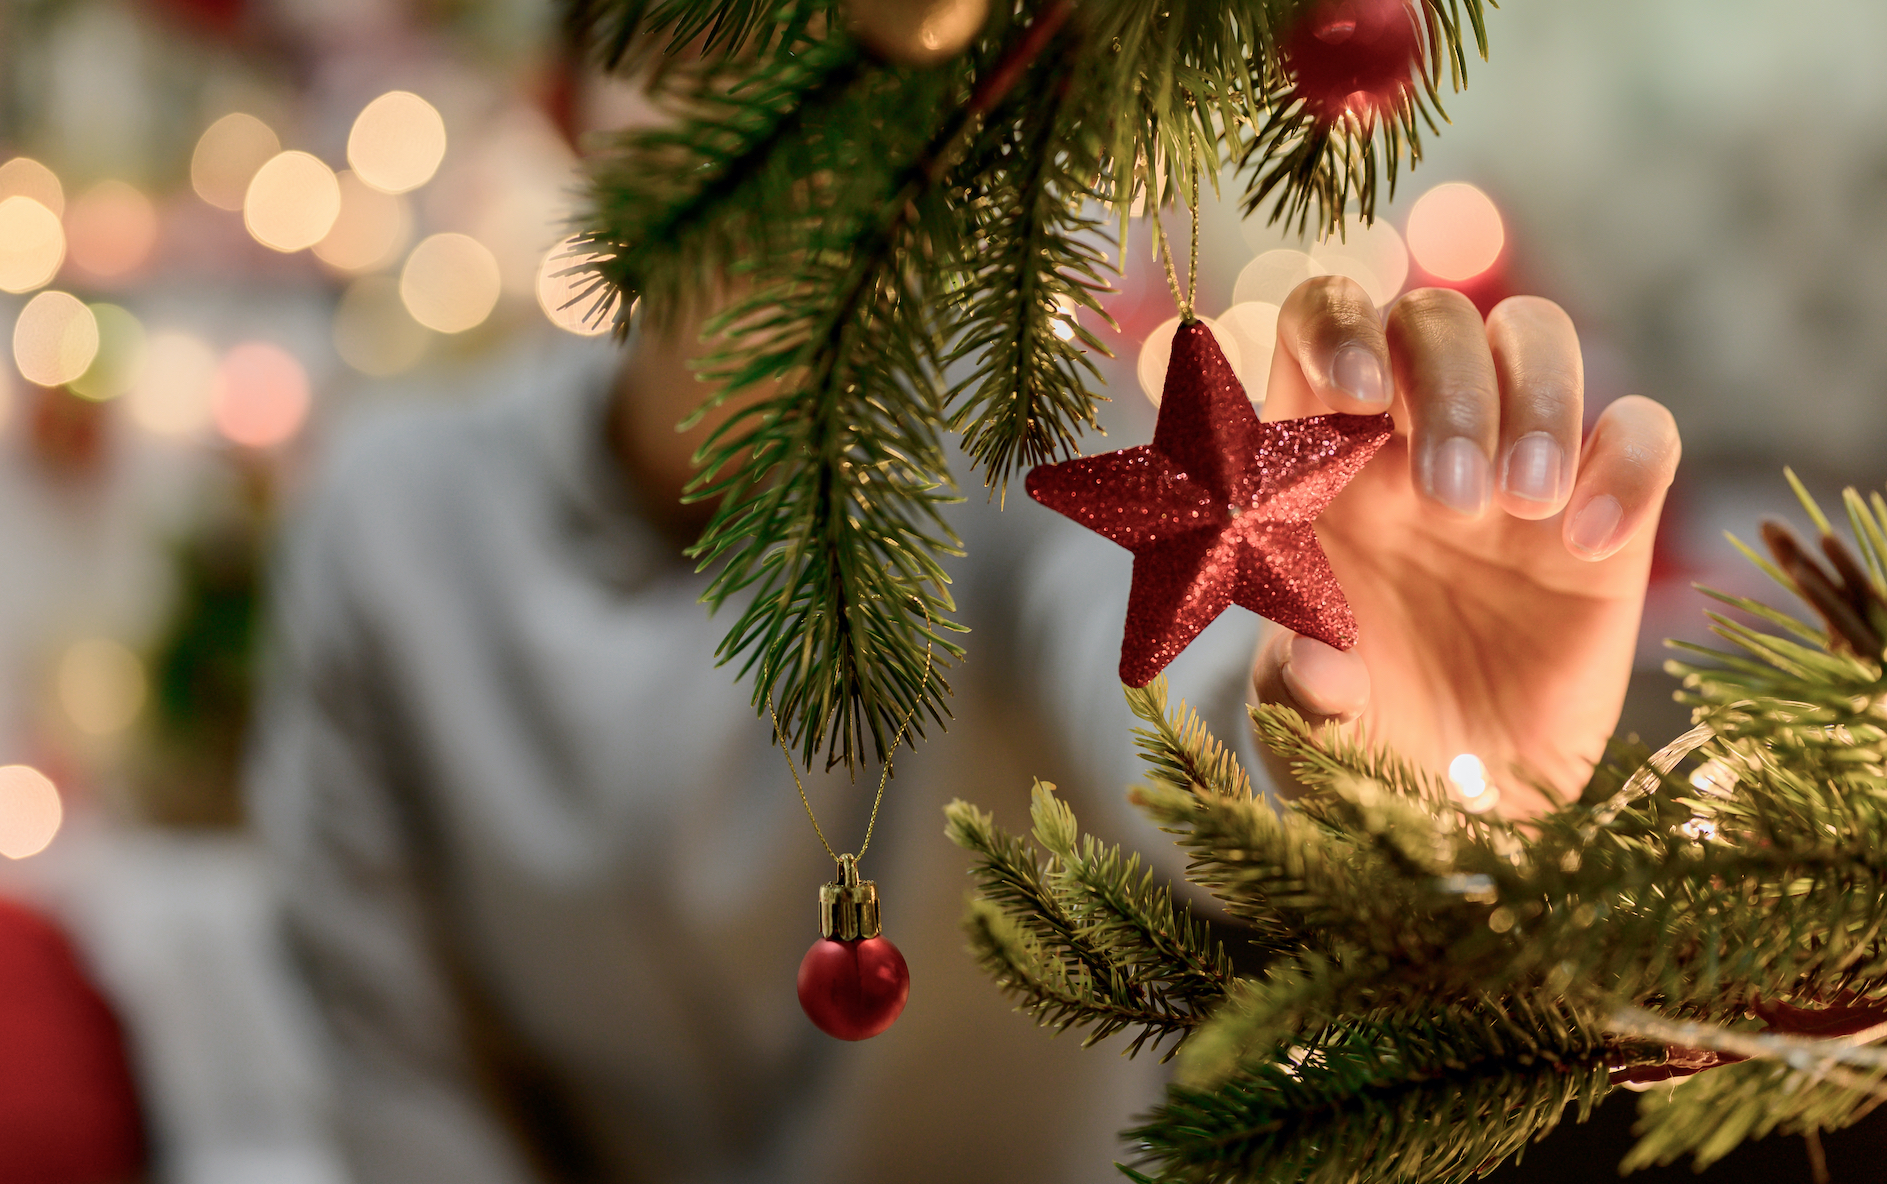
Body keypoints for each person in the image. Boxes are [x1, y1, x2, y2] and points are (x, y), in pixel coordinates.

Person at [248, 274, 1679, 1183]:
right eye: (704, 12)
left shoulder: (1027, 458)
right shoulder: (393, 519)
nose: (796, 93)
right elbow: (393, 1069)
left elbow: (1149, 682)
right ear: (575, 97)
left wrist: (1358, 768)